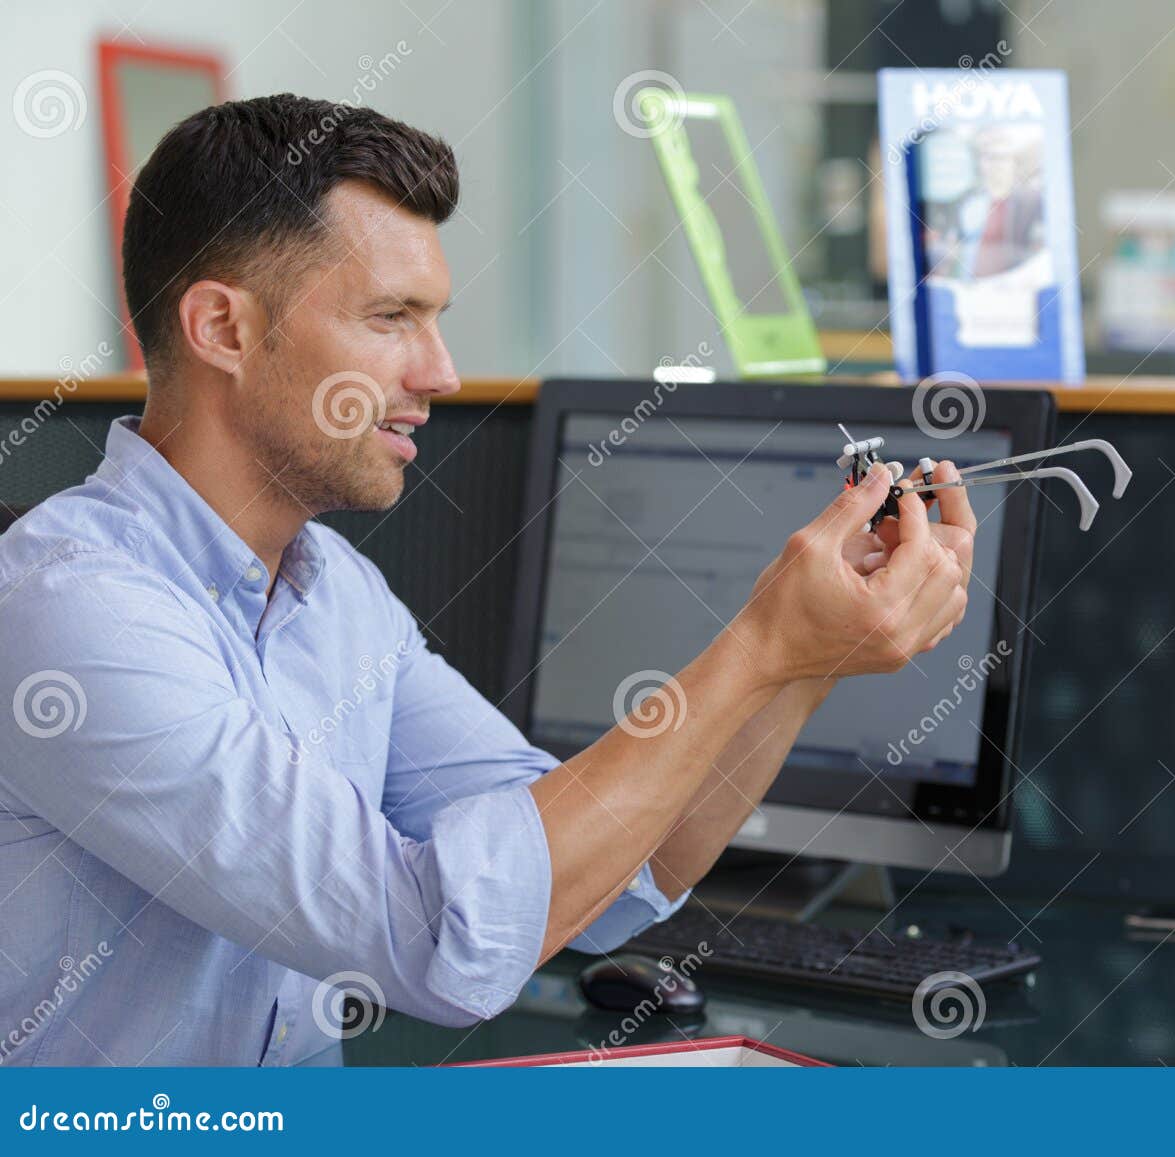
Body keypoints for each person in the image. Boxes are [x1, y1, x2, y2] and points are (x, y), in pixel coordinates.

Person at [0, 95, 975, 1066]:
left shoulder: (337, 592)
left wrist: (803, 664)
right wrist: (759, 644)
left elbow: (615, 868)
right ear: (224, 327)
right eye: (392, 318)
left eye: (435, 321)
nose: (441, 373)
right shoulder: (73, 613)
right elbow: (440, 939)